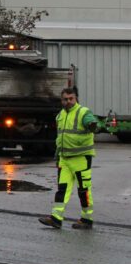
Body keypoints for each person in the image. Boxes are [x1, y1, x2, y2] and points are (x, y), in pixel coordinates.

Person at [39, 87, 98, 230]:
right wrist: (58, 157)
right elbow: (60, 138)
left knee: (84, 190)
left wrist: (92, 125)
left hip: (81, 158)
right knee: (62, 189)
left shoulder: (83, 112)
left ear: (76, 98)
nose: (69, 101)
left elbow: (91, 123)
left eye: (71, 98)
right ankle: (56, 218)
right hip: (64, 159)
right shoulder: (60, 115)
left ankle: (87, 219)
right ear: (61, 101)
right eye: (65, 99)